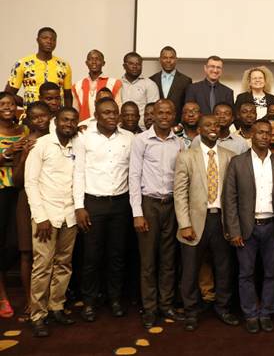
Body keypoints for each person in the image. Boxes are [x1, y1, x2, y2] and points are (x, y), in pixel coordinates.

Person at [224, 119, 274, 333]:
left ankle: (266, 313)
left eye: (268, 133)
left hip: (272, 227)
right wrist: (233, 230)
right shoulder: (237, 162)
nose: (264, 136)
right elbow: (230, 199)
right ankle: (251, 314)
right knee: (246, 273)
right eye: (260, 132)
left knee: (272, 273)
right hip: (246, 228)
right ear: (251, 135)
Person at [174, 114, 240, 331]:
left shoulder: (229, 156)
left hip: (221, 221)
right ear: (199, 129)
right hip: (194, 222)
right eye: (208, 125)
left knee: (224, 268)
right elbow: (180, 192)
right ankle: (191, 311)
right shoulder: (186, 156)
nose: (213, 128)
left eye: (216, 125)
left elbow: (233, 194)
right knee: (191, 269)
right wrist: (184, 224)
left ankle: (223, 308)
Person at [72, 98, 134, 321]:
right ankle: (89, 302)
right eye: (106, 113)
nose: (111, 116)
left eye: (114, 112)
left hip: (120, 203)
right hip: (93, 203)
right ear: (96, 116)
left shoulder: (129, 138)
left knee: (117, 255)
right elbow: (78, 172)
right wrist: (79, 206)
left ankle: (115, 299)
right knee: (92, 256)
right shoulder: (83, 138)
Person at [129, 99, 185, 329]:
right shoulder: (141, 141)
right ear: (152, 115)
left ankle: (166, 305)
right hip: (149, 205)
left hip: (171, 205)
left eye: (168, 112)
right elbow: (133, 176)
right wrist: (137, 213)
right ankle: (150, 308)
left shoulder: (179, 143)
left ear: (174, 116)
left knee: (169, 260)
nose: (164, 116)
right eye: (159, 112)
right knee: (148, 261)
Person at [25, 107, 79, 337]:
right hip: (45, 216)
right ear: (56, 121)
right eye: (65, 119)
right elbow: (31, 182)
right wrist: (41, 217)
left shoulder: (78, 144)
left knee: (64, 264)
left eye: (73, 120)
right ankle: (37, 314)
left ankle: (56, 306)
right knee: (42, 266)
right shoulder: (41, 145)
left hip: (70, 214)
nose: (69, 123)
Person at [12, 101, 51, 320]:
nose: (40, 120)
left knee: (50, 253)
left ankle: (50, 299)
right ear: (28, 120)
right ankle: (30, 299)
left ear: (49, 116)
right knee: (28, 251)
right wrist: (25, 156)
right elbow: (17, 181)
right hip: (26, 202)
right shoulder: (24, 142)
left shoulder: (58, 139)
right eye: (35, 117)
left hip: (52, 200)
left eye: (43, 116)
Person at [0, 92, 29, 318]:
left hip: (20, 192)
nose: (8, 107)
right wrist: (8, 152)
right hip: (1, 192)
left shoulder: (24, 130)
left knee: (15, 244)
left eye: (11, 103)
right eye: (2, 104)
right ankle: (3, 297)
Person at [5, 27, 72, 107]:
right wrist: (27, 104)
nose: (49, 41)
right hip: (31, 116)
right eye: (45, 38)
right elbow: (8, 94)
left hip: (56, 116)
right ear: (37, 40)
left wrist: (67, 113)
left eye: (53, 39)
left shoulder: (64, 65)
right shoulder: (23, 64)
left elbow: (68, 96)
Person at [71, 50, 122, 122]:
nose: (94, 62)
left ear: (103, 63)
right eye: (90, 59)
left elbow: (119, 110)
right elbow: (75, 112)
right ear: (86, 63)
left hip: (107, 128)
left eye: (97, 59)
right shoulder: (77, 86)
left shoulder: (115, 83)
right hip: (85, 129)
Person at [150, 46, 192, 124]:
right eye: (165, 58)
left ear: (176, 60)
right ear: (160, 60)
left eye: (171, 58)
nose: (168, 61)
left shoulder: (186, 80)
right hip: (157, 125)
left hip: (177, 125)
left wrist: (181, 125)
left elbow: (186, 106)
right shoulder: (152, 80)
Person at [120, 52, 160, 130]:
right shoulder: (117, 84)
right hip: (121, 129)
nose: (135, 66)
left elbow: (153, 111)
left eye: (138, 64)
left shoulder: (150, 84)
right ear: (124, 66)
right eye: (131, 64)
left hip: (143, 130)